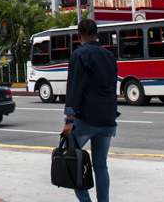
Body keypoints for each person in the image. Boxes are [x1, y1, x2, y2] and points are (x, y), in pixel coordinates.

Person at [61, 18, 118, 202]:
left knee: (70, 158)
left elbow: (74, 88)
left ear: (79, 36)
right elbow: (111, 87)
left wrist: (69, 119)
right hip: (107, 117)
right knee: (101, 165)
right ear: (97, 35)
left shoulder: (79, 55)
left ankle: (85, 200)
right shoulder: (109, 56)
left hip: (86, 118)